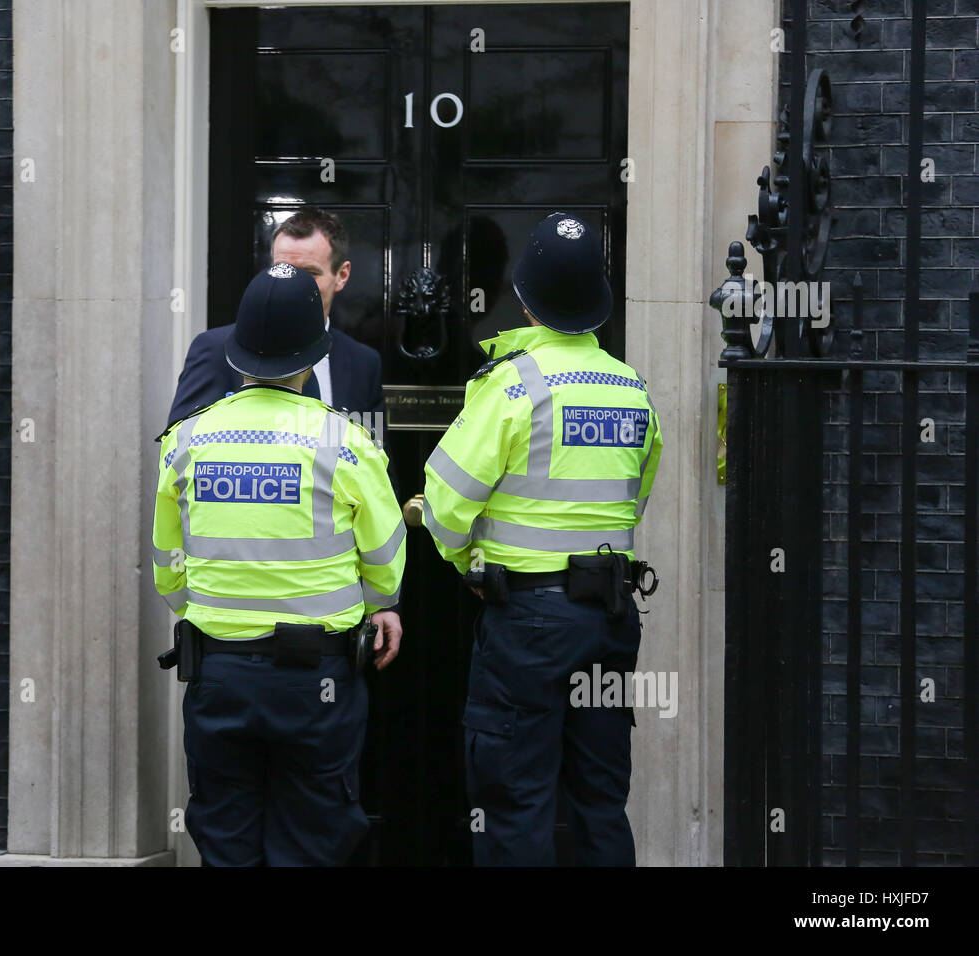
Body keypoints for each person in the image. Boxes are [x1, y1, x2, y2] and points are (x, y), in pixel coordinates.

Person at [422, 212, 663, 867]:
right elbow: (632, 498)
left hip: (528, 623)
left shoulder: (513, 383)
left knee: (516, 803)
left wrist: (467, 558)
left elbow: (445, 500)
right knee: (601, 801)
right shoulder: (631, 389)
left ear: (524, 298)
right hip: (610, 616)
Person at [152, 263, 406, 866]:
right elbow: (386, 558)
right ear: (312, 355)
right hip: (316, 681)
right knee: (312, 841)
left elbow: (169, 568)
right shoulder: (346, 442)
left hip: (220, 675)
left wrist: (217, 617)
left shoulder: (187, 441)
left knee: (227, 842)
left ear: (236, 356)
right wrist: (377, 606)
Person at [166, 206, 384, 431]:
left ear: (342, 275)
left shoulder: (363, 363)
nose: (295, 287)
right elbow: (181, 449)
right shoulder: (214, 349)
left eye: (310, 273)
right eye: (284, 270)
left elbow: (376, 457)